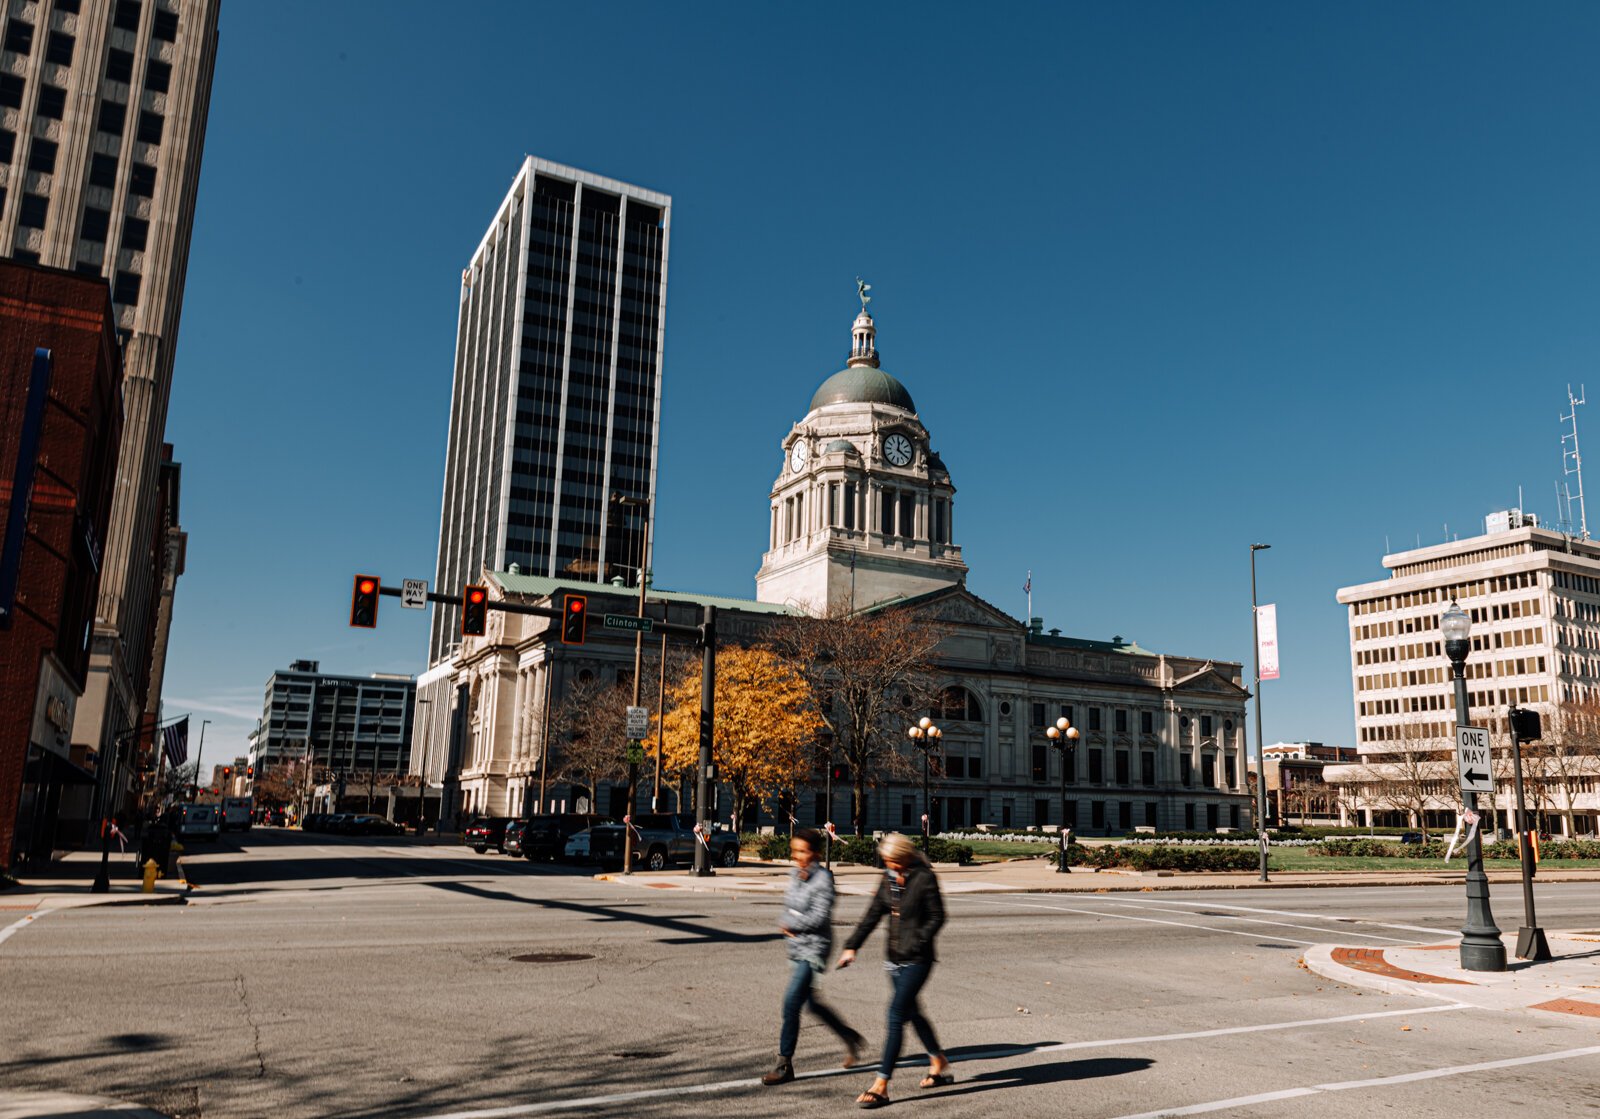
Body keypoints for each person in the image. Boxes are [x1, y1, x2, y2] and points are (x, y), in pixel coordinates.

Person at [838, 831, 952, 1108]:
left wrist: (918, 940)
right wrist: (852, 946)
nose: (890, 866)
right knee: (912, 1013)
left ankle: (882, 1084)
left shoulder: (924, 878)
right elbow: (872, 914)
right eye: (886, 861)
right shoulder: (888, 880)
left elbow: (938, 916)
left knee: (896, 1014)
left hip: (918, 960)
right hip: (893, 960)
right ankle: (938, 1060)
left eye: (894, 861)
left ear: (905, 856)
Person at [762, 827, 864, 1086]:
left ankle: (784, 1064)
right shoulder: (796, 874)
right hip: (797, 947)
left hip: (815, 949)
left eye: (803, 852)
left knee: (791, 1003)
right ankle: (849, 1037)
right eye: (794, 851)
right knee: (811, 1004)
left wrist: (792, 924)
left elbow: (819, 916)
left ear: (816, 853)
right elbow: (789, 906)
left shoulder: (824, 879)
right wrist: (790, 921)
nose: (797, 856)